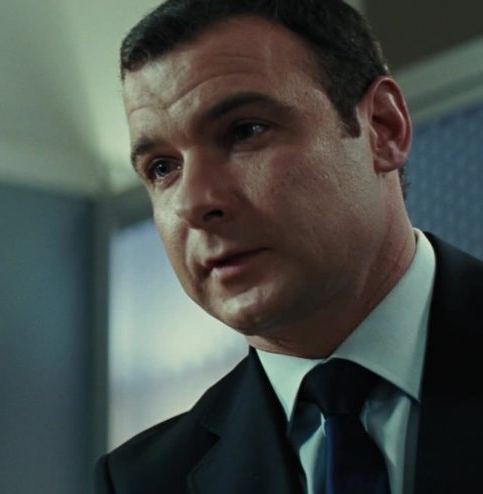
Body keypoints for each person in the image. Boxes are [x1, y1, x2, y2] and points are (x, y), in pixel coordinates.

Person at [94, 0, 483, 493]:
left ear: (383, 128)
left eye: (245, 131)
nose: (194, 202)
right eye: (163, 168)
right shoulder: (141, 482)